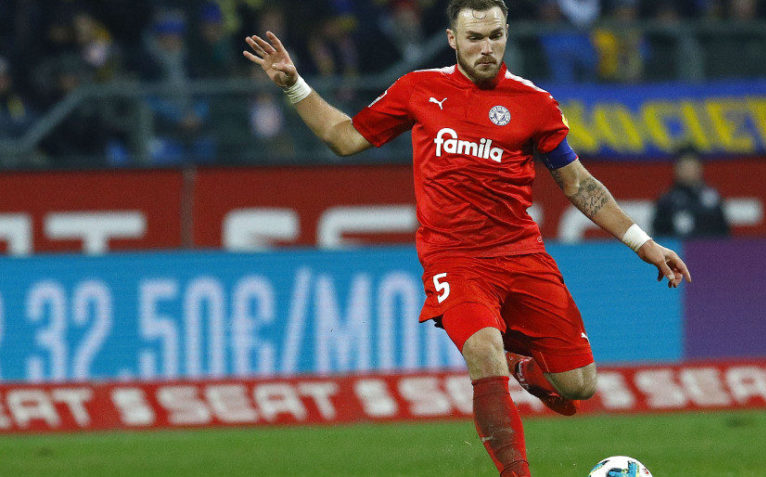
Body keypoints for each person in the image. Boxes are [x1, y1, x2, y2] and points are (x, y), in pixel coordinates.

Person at [242, 1, 691, 475]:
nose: (486, 47)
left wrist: (644, 243)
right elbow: (344, 136)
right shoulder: (418, 89)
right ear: (453, 39)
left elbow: (579, 184)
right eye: (474, 37)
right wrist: (294, 85)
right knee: (482, 350)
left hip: (521, 254)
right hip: (453, 259)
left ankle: (521, 366)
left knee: (579, 385)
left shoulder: (535, 103)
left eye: (495, 35)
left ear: (507, 34)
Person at [652, 147, 730, 238]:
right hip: (677, 250)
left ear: (700, 168)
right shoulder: (666, 200)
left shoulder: (713, 197)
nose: (688, 171)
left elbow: (724, 233)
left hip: (710, 250)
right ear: (676, 169)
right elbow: (659, 236)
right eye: (684, 166)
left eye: (692, 166)